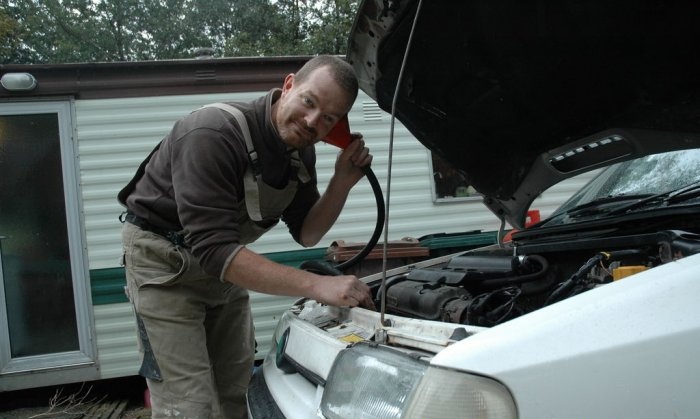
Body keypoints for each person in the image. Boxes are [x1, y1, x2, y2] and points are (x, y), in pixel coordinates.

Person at [118, 55, 376, 418]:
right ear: (288, 86)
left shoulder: (300, 153)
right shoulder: (213, 133)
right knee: (189, 405)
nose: (312, 122)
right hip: (162, 266)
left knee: (237, 391)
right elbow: (214, 249)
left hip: (221, 270)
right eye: (309, 101)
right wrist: (318, 285)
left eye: (329, 118)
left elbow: (307, 232)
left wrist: (342, 182)